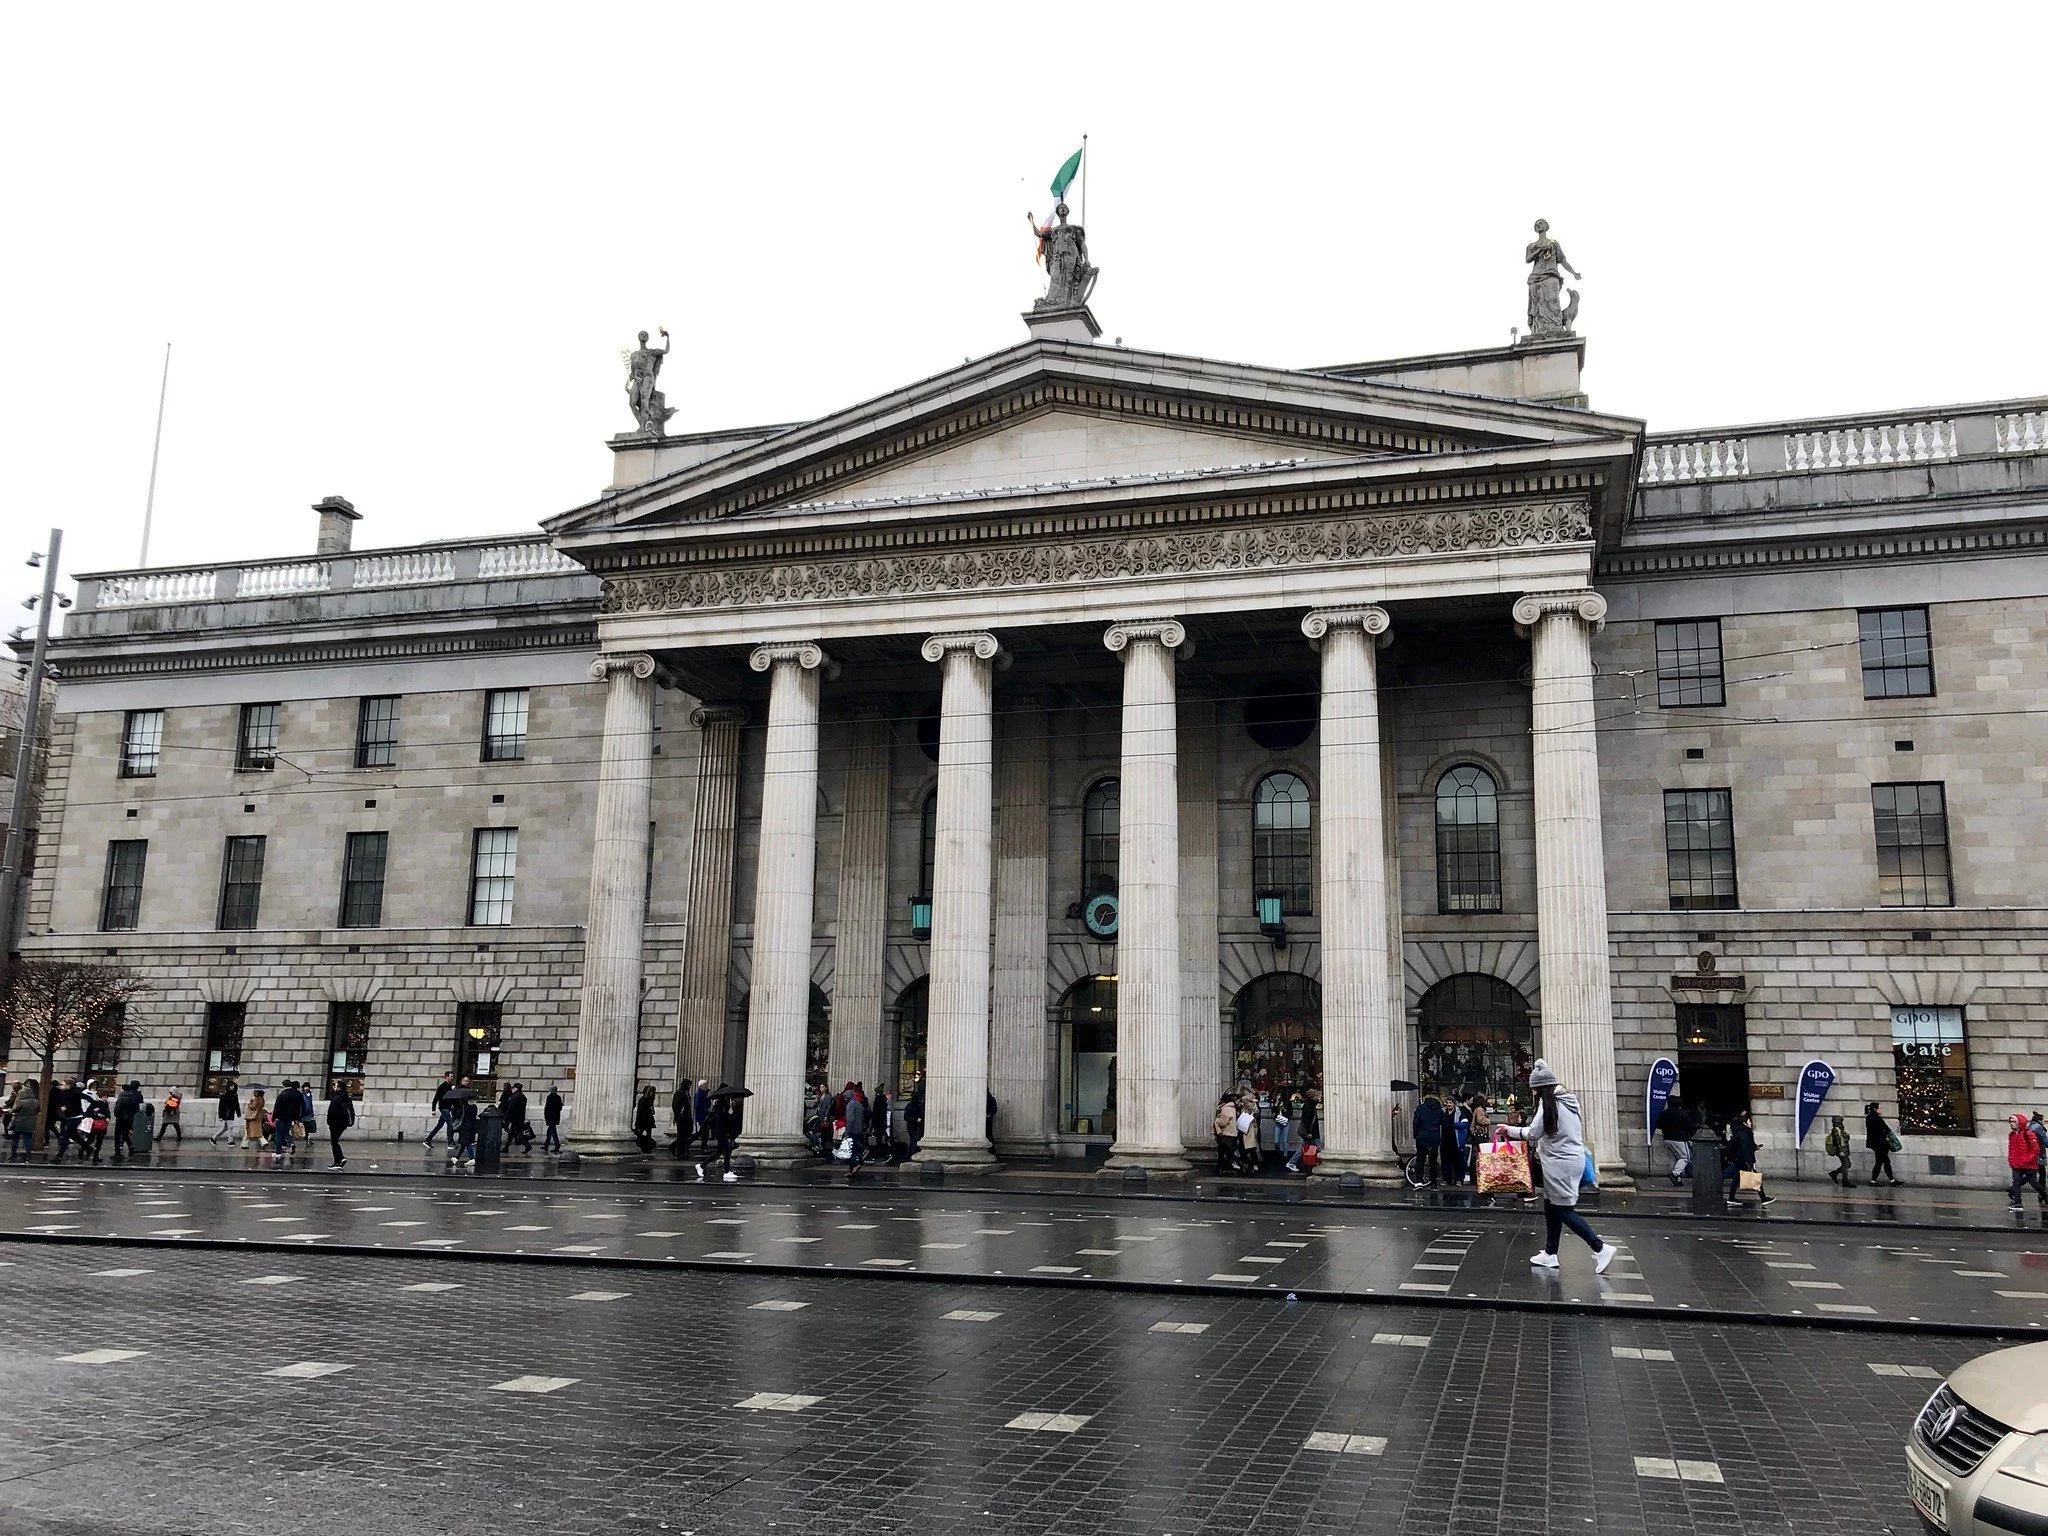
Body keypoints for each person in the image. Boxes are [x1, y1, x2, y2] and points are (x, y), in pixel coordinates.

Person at [1494, 1059, 1619, 1273]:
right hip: (1570, 1160)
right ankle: (1550, 1253)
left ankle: (1600, 1248)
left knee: (1563, 1210)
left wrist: (1510, 1130)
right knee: (1551, 1206)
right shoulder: (1569, 1100)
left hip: (1559, 1163)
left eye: (1534, 1090)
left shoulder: (1549, 1104)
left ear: (1539, 1089)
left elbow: (1533, 1133)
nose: (1533, 1094)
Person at [1722, 1109, 1776, 1208]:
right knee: (1755, 1179)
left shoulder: (1742, 1132)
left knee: (1736, 1178)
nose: (1751, 1123)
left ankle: (1731, 1198)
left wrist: (1754, 1147)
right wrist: (1749, 1162)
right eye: (1749, 1121)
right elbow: (1745, 1148)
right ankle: (1763, 1198)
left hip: (1740, 1159)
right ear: (1745, 1122)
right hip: (1743, 1160)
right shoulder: (1744, 1134)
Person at [697, 1087, 741, 1182]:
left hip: (723, 1131)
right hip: (721, 1132)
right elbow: (722, 1118)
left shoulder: (724, 1104)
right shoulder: (719, 1104)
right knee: (727, 1150)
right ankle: (727, 1171)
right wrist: (731, 1113)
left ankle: (702, 1165)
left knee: (719, 1152)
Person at [2008, 1113, 2047, 1212]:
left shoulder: (2028, 1133)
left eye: (2014, 1122)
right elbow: (2011, 1149)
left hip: (2028, 1164)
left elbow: (2035, 1149)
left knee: (2033, 1183)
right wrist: (2011, 1160)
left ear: (2019, 1123)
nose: (2011, 1124)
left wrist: (2028, 1159)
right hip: (2016, 1164)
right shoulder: (2012, 1135)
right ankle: (2017, 1204)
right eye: (2010, 1122)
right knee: (2016, 1183)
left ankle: (2046, 1198)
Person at [1655, 1099, 1697, 1184]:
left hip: (1667, 1138)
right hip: (1680, 1138)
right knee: (1686, 1157)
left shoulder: (1664, 1113)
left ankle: (1677, 1179)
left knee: (1675, 1158)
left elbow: (1658, 1124)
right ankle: (1675, 1174)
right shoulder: (1681, 1113)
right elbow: (1690, 1126)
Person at [1412, 1093, 1446, 1187]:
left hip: (1422, 1136)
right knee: (1433, 1161)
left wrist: (1416, 1134)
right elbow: (1444, 1123)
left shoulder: (1421, 1108)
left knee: (1420, 1159)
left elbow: (1416, 1123)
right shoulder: (1439, 1110)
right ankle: (1433, 1182)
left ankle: (1419, 1180)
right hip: (1434, 1137)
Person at [1866, 1102, 1903, 1186]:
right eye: (1879, 1108)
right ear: (1875, 1109)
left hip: (1876, 1144)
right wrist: (1886, 1137)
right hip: (1880, 1144)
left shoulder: (1870, 1117)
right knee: (1881, 1162)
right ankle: (1874, 1181)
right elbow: (1881, 1130)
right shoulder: (1875, 1118)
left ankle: (1891, 1180)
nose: (1881, 1110)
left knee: (1884, 1162)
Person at [325, 1081, 355, 1169]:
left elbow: (331, 1111)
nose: (334, 1087)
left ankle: (338, 1161)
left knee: (334, 1142)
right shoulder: (346, 1097)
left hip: (335, 1122)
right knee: (335, 1141)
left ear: (339, 1087)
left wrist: (329, 1121)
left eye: (335, 1085)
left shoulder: (336, 1098)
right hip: (343, 1123)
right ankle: (340, 1158)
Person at [112, 1080, 144, 1162]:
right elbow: (140, 1107)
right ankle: (130, 1145)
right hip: (131, 1117)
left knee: (118, 1134)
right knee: (125, 1132)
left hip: (121, 1117)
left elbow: (118, 1106)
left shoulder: (123, 1094)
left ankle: (118, 1152)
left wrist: (117, 1115)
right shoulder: (138, 1095)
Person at [423, 1073, 459, 1147]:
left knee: (439, 1125)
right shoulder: (442, 1086)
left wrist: (454, 1092)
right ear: (446, 1077)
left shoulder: (450, 1086)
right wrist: (433, 1109)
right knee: (450, 1124)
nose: (452, 1078)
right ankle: (450, 1142)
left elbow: (452, 1098)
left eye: (453, 1076)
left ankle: (428, 1140)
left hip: (448, 1108)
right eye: (451, 1076)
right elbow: (436, 1099)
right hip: (444, 1108)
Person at [7, 1082, 38, 1160]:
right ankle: (28, 1155)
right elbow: (38, 1110)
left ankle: (13, 1155)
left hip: (19, 1122)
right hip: (31, 1122)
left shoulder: (21, 1102)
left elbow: (14, 1110)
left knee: (15, 1139)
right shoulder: (36, 1102)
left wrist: (10, 1111)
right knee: (28, 1139)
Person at [1466, 1097, 1493, 1184]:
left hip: (1478, 1136)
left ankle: (1474, 1177)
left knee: (1476, 1156)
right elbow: (1480, 1120)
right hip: (1480, 1136)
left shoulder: (1477, 1109)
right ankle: (1475, 1178)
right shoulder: (1480, 1110)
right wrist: (1488, 1120)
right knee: (1479, 1157)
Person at [843, 1082, 868, 1175]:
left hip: (852, 1129)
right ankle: (855, 1165)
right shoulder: (858, 1104)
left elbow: (850, 1119)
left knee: (851, 1150)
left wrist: (847, 1132)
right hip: (859, 1129)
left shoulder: (850, 1105)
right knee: (855, 1148)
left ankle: (854, 1166)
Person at [1823, 1114, 1853, 1186]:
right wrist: (1840, 1151)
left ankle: (1834, 1173)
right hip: (1841, 1150)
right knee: (1846, 1165)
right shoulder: (1836, 1129)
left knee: (1847, 1164)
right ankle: (1845, 1181)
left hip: (1844, 1149)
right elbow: (1837, 1141)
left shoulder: (1840, 1129)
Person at [1212, 1095, 1239, 1173]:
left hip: (1226, 1133)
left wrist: (1216, 1120)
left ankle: (1240, 1164)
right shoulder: (1231, 1108)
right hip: (1229, 1133)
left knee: (1226, 1151)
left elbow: (1223, 1122)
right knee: (1224, 1151)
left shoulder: (1226, 1109)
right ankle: (1219, 1168)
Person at [212, 1080, 242, 1145]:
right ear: (228, 1087)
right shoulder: (224, 1095)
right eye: (231, 1086)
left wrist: (238, 1113)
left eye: (233, 1086)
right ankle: (230, 1141)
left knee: (225, 1128)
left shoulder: (234, 1095)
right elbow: (221, 1106)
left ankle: (214, 1138)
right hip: (226, 1113)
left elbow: (236, 1105)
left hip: (231, 1112)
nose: (232, 1087)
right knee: (230, 1127)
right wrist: (220, 1116)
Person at [505, 1083, 534, 1150]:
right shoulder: (523, 1096)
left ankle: (527, 1146)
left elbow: (511, 1108)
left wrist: (506, 1118)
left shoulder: (515, 1097)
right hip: (520, 1117)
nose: (512, 1089)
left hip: (515, 1118)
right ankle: (506, 1147)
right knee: (511, 1133)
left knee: (518, 1133)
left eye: (513, 1088)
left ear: (516, 1088)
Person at [454, 1094, 479, 1167]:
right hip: (472, 1126)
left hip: (464, 1126)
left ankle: (472, 1158)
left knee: (467, 1143)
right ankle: (456, 1158)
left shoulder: (463, 1106)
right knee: (464, 1143)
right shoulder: (474, 1107)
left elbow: (458, 1115)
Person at [1271, 1085, 1294, 1167]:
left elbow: (1291, 1113)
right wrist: (1276, 1103)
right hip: (1278, 1121)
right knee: (1276, 1141)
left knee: (1285, 1140)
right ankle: (1278, 1153)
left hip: (1285, 1121)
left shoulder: (1288, 1102)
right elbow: (1272, 1111)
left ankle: (1285, 1155)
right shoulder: (1276, 1102)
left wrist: (1284, 1109)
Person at [632, 1084, 657, 1153]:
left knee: (648, 1134)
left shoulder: (650, 1100)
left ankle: (647, 1148)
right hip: (643, 1121)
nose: (652, 1093)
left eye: (652, 1092)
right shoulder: (643, 1099)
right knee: (640, 1134)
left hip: (648, 1121)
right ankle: (643, 1147)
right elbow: (640, 1112)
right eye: (650, 1091)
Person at [691, 1079, 712, 1153]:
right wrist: (705, 1110)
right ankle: (703, 1147)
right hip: (701, 1116)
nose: (706, 1086)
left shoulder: (705, 1093)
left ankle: (702, 1146)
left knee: (703, 1132)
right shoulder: (699, 1094)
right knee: (703, 1132)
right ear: (701, 1086)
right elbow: (697, 1106)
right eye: (705, 1085)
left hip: (705, 1115)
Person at [543, 1084, 564, 1152]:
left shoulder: (550, 1097)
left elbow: (547, 1108)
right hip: (556, 1117)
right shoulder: (558, 1097)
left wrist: (546, 1116)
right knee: (549, 1131)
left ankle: (557, 1145)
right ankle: (546, 1145)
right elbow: (560, 1107)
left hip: (550, 1117)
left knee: (553, 1131)